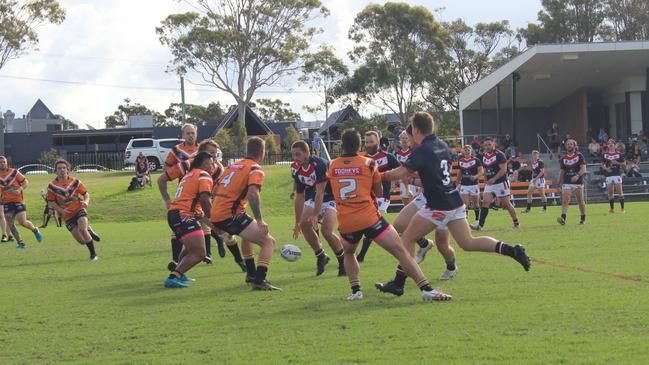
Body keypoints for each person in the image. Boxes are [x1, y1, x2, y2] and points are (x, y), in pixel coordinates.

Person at [376, 112, 530, 297]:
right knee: (468, 242)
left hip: (438, 204)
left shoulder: (422, 150)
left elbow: (400, 173)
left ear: (415, 129)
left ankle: (399, 283)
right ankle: (512, 250)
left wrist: (378, 175)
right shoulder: (442, 145)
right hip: (454, 201)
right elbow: (436, 172)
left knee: (407, 239)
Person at [328, 128, 451, 301]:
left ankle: (356, 291)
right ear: (360, 145)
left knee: (349, 252)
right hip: (369, 217)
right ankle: (426, 288)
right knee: (401, 251)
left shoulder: (332, 164)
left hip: (347, 220)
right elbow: (378, 193)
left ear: (342, 145)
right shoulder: (369, 163)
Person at [158, 139, 245, 271]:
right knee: (192, 240)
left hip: (198, 207)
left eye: (215, 153)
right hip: (187, 208)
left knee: (221, 231)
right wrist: (167, 200)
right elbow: (162, 179)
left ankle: (240, 261)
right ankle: (178, 267)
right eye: (211, 153)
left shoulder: (217, 169)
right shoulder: (188, 165)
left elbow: (215, 191)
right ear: (202, 155)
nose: (214, 156)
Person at [211, 137, 280, 291]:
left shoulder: (232, 166)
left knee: (246, 236)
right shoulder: (255, 168)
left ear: (247, 151)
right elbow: (253, 194)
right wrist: (259, 220)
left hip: (217, 212)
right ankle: (259, 280)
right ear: (262, 153)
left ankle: (250, 273)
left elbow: (214, 191)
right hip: (230, 214)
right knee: (269, 242)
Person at [290, 140, 345, 276]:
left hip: (330, 197)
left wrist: (315, 214)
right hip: (312, 198)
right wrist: (297, 222)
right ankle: (321, 256)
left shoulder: (319, 164)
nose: (295, 158)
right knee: (304, 224)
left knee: (326, 231)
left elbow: (320, 192)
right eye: (293, 155)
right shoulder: (296, 169)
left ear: (307, 153)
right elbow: (300, 196)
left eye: (298, 154)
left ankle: (343, 262)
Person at [163, 152, 215, 288]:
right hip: (184, 215)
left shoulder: (189, 175)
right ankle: (174, 276)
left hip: (175, 214)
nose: (214, 166)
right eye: (211, 163)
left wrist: (214, 226)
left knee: (190, 247)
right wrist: (214, 218)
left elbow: (198, 211)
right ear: (204, 163)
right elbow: (204, 199)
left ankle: (180, 273)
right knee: (199, 253)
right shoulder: (204, 175)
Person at [355, 130, 401, 262]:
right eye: (366, 142)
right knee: (373, 226)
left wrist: (396, 182)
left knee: (373, 225)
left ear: (378, 142)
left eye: (371, 141)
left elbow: (401, 170)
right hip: (367, 197)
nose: (368, 144)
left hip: (382, 196)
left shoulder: (387, 157)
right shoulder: (362, 159)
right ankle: (421, 241)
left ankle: (361, 255)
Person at [46, 159, 101, 260]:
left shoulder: (75, 182)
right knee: (82, 241)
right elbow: (51, 202)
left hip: (79, 209)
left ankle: (93, 254)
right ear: (55, 171)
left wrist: (86, 202)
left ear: (68, 169)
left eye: (64, 168)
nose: (62, 170)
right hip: (67, 215)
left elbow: (86, 194)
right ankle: (89, 231)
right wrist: (61, 211)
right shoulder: (52, 186)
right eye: (59, 168)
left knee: (82, 229)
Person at [471, 138, 520, 231]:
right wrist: (485, 179)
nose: (487, 146)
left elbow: (503, 170)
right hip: (490, 184)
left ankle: (516, 223)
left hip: (501, 183)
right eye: (485, 145)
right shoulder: (484, 156)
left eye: (489, 144)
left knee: (506, 204)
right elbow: (485, 169)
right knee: (485, 202)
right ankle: (480, 226)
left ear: (493, 145)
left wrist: (493, 179)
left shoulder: (500, 155)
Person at [0, 156, 43, 248]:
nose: (2, 163)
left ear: (7, 163)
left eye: (3, 162)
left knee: (22, 222)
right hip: (6, 202)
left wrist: (19, 189)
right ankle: (20, 243)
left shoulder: (14, 172)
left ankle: (35, 230)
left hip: (18, 200)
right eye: (0, 162)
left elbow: (25, 182)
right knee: (10, 222)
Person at [557, 139, 587, 225]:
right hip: (567, 182)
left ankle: (583, 218)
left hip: (578, 182)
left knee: (580, 200)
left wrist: (577, 175)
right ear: (565, 146)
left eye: (571, 144)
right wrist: (559, 184)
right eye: (567, 144)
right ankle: (563, 218)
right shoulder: (563, 158)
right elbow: (562, 172)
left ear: (574, 146)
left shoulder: (579, 155)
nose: (569, 145)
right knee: (565, 199)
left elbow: (584, 168)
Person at [457, 145, 483, 227]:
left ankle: (477, 220)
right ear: (463, 151)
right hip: (464, 185)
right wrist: (458, 182)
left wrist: (475, 176)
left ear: (471, 151)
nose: (467, 151)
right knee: (465, 204)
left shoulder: (476, 160)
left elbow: (481, 171)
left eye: (468, 150)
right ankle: (465, 221)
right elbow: (460, 172)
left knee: (476, 204)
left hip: (474, 184)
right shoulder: (460, 161)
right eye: (465, 150)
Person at [601, 140, 626, 214]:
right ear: (607, 146)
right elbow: (602, 165)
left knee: (620, 192)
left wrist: (617, 162)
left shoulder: (619, 154)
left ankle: (622, 209)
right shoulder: (605, 155)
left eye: (612, 143)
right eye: (609, 144)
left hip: (617, 174)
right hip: (608, 175)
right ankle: (612, 209)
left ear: (615, 145)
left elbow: (624, 164)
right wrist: (606, 169)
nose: (610, 145)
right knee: (610, 193)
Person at [395, 131, 419, 206]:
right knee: (405, 201)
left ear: (409, 141)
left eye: (406, 138)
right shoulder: (397, 154)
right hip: (403, 180)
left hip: (413, 180)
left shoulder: (414, 152)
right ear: (400, 141)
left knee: (415, 202)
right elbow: (397, 168)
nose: (404, 140)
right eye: (402, 138)